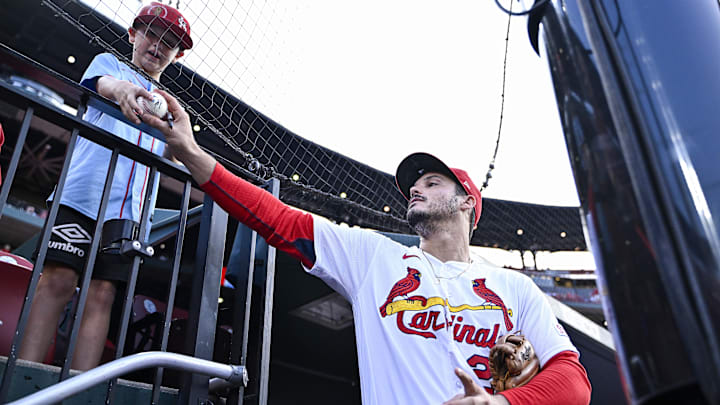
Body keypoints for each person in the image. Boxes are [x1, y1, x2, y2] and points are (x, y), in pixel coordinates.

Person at [145, 92, 592, 404]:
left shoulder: (514, 287)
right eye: (412, 186)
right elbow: (277, 219)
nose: (415, 190)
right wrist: (190, 152)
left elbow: (574, 382)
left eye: (431, 183)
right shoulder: (373, 258)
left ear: (467, 203)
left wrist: (501, 403)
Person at [19, 2, 193, 371]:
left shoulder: (171, 106)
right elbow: (107, 86)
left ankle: (79, 387)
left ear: (177, 57)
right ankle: (24, 378)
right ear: (133, 34)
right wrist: (124, 91)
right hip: (82, 194)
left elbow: (178, 158)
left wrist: (183, 140)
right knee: (58, 281)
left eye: (170, 43)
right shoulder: (109, 63)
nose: (157, 46)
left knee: (102, 295)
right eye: (151, 34)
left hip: (130, 212)